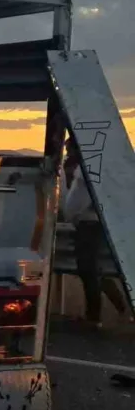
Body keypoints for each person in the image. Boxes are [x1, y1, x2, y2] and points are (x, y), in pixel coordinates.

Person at [63, 137, 129, 327]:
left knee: (88, 270)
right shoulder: (94, 166)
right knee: (96, 270)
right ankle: (121, 309)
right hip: (94, 224)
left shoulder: (84, 170)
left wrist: (73, 215)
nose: (68, 153)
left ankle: (94, 317)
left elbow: (79, 199)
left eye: (70, 149)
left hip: (88, 224)